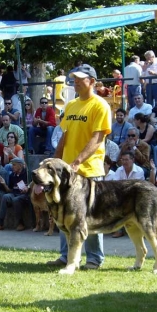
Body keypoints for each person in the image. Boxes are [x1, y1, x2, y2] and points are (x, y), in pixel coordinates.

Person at [46, 63, 112, 271]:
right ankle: (66, 257)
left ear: (92, 81)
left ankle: (94, 259)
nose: (75, 81)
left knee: (88, 215)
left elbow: (97, 138)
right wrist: (54, 163)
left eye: (79, 78)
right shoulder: (71, 105)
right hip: (65, 172)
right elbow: (64, 136)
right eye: (73, 78)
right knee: (64, 213)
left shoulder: (100, 105)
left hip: (89, 170)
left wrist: (77, 162)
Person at [0, 157, 29, 231]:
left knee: (16, 200)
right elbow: (9, 190)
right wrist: (4, 184)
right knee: (5, 196)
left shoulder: (27, 173)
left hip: (25, 195)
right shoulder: (12, 175)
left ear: (20, 165)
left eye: (14, 165)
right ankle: (0, 223)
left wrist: (27, 188)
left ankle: (20, 223)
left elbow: (32, 184)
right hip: (14, 194)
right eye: (12, 165)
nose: (12, 167)